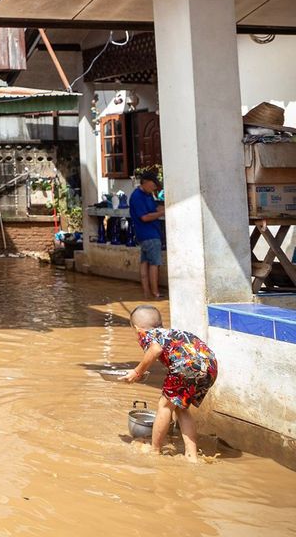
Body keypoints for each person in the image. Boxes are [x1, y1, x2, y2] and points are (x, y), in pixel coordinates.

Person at [123, 305, 217, 462]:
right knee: (181, 408)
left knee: (164, 406)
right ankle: (192, 456)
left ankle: (154, 451)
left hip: (186, 365)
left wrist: (137, 372)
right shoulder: (172, 333)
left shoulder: (147, 335)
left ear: (137, 328)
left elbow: (155, 350)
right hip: (210, 366)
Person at [130, 171, 165, 299]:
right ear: (144, 183)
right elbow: (144, 217)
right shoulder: (137, 196)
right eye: (153, 185)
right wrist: (162, 213)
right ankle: (156, 293)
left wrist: (163, 208)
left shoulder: (147, 194)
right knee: (154, 264)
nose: (154, 188)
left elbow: (154, 208)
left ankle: (146, 293)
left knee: (145, 263)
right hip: (149, 234)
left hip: (145, 235)